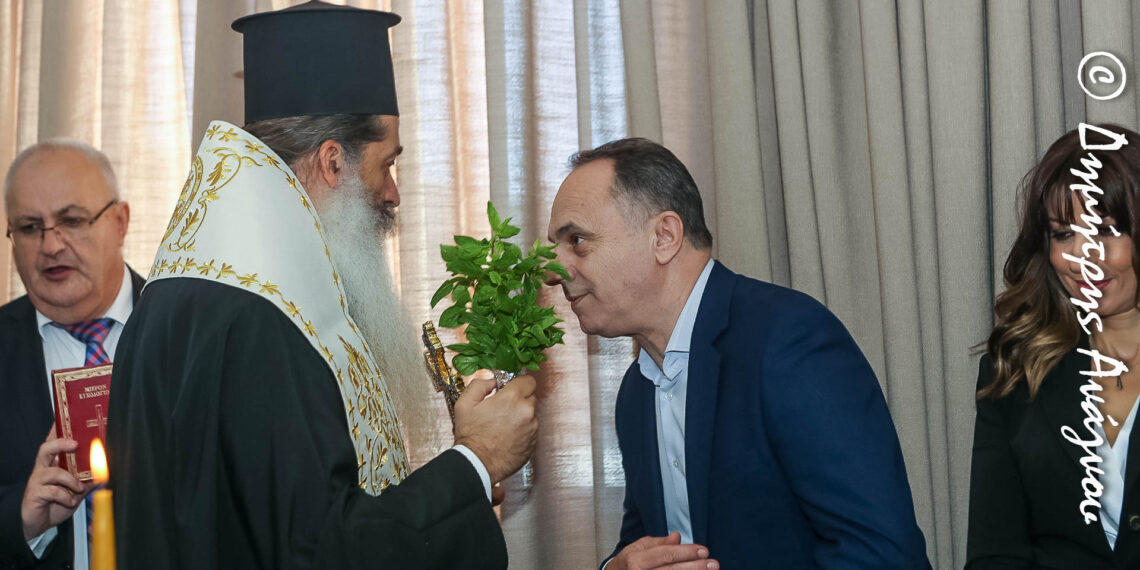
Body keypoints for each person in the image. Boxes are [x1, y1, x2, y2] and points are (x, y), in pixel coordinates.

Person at [106, 2, 535, 569]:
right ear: (332, 162)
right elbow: (323, 550)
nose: (393, 193)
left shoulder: (180, 288)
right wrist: (477, 459)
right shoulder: (268, 321)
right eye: (386, 164)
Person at [545, 138, 931, 569]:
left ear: (664, 237)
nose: (551, 271)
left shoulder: (788, 339)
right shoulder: (637, 390)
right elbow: (647, 547)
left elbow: (883, 555)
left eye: (577, 240)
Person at [968, 124, 1140, 567]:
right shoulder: (1012, 368)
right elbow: (995, 554)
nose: (1083, 256)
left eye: (1106, 230)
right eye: (1064, 234)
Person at [0, 140, 140, 569]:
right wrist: (23, 522)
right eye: (29, 227)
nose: (51, 245)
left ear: (120, 222)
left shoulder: (190, 338)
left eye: (72, 220)